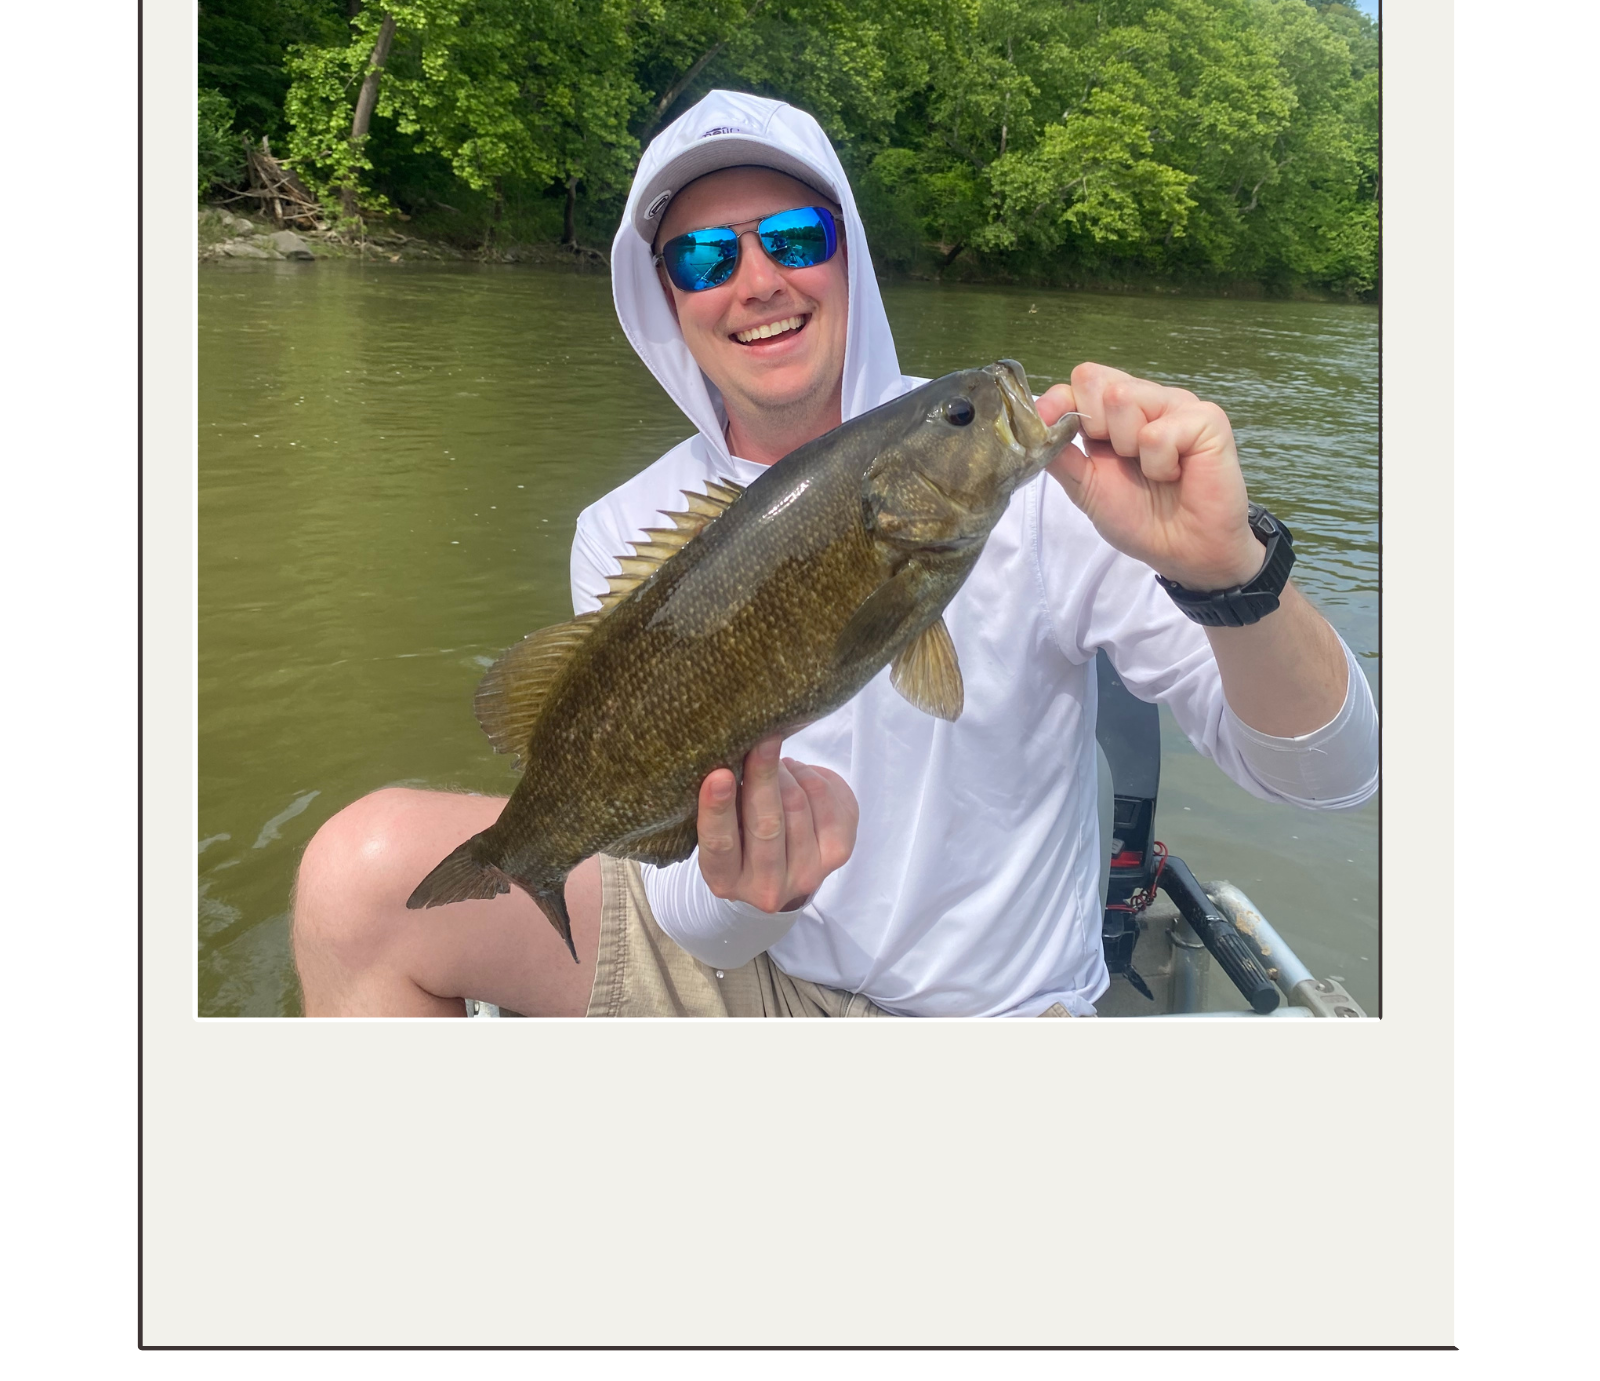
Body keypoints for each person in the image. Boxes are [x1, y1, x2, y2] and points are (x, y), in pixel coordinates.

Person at [292, 89, 1378, 1019]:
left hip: (989, 1017)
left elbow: (1333, 778)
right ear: (666, 297)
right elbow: (690, 920)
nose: (757, 279)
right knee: (356, 882)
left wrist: (1230, 574)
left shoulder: (1059, 494)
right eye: (705, 256)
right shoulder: (623, 523)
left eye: (796, 238)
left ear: (847, 250)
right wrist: (744, 893)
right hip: (753, 974)